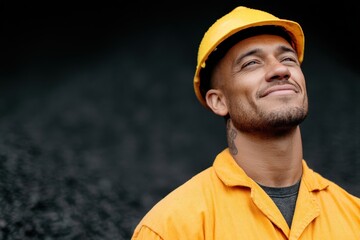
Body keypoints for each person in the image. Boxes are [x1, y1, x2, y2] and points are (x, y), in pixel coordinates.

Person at [131, 6, 360, 240]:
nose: (280, 70)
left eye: (288, 59)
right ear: (219, 101)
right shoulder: (171, 228)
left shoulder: (355, 218)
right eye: (251, 63)